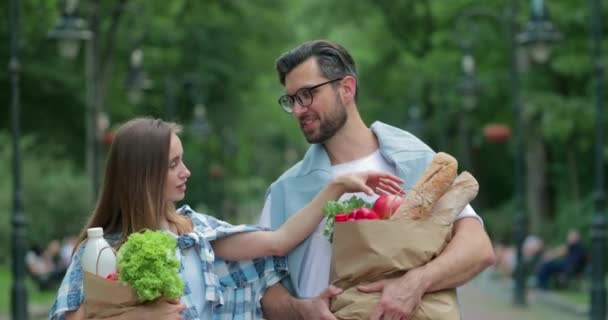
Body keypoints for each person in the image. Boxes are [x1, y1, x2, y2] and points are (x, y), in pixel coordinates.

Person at [49, 117, 404, 320]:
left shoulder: (198, 231)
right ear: (142, 174)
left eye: (182, 160)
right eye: (173, 165)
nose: (186, 172)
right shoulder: (102, 249)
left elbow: (279, 240)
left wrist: (337, 186)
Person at [258, 40, 496, 320]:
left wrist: (415, 283)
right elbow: (264, 291)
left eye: (307, 94)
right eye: (291, 100)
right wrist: (302, 310)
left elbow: (478, 249)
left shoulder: (415, 161)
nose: (298, 110)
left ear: (346, 88)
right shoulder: (284, 191)